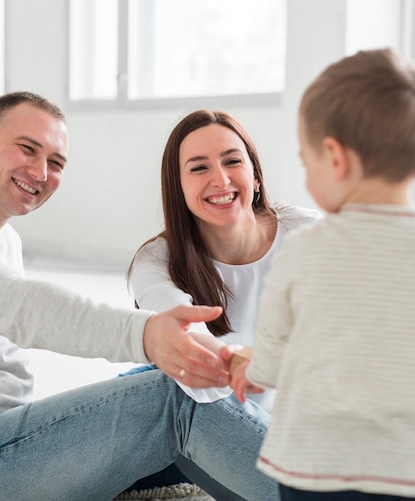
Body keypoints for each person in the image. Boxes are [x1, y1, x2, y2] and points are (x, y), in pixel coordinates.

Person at [0, 91, 280, 501]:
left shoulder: (5, 239)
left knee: (160, 381)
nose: (40, 171)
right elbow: (25, 307)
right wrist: (148, 336)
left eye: (55, 163)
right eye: (27, 148)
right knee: (176, 401)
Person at [230, 47, 415, 501]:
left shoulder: (305, 250)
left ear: (335, 158)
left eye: (307, 162)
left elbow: (276, 356)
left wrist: (251, 366)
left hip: (314, 471)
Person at [123, 109, 321, 495]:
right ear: (177, 187)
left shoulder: (309, 234)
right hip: (193, 417)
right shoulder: (155, 262)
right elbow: (195, 367)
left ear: (256, 176)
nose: (221, 179)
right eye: (198, 168)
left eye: (233, 161)